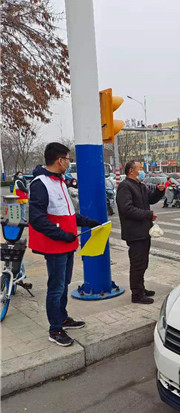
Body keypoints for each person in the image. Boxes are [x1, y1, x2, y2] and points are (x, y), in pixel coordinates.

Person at [28, 143, 100, 347]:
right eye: (68, 159)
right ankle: (55, 329)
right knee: (56, 287)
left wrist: (84, 221)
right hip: (56, 246)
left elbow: (65, 212)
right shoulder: (40, 183)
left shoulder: (59, 182)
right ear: (60, 160)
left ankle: (63, 318)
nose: (69, 163)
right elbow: (36, 218)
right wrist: (61, 235)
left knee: (64, 283)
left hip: (67, 244)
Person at [116, 160, 165, 304]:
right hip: (134, 232)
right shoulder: (125, 187)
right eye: (140, 168)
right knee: (137, 264)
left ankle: (141, 288)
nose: (142, 171)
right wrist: (148, 214)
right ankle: (136, 295)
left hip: (144, 231)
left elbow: (150, 199)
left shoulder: (140, 186)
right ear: (131, 171)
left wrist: (159, 191)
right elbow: (127, 209)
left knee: (143, 263)